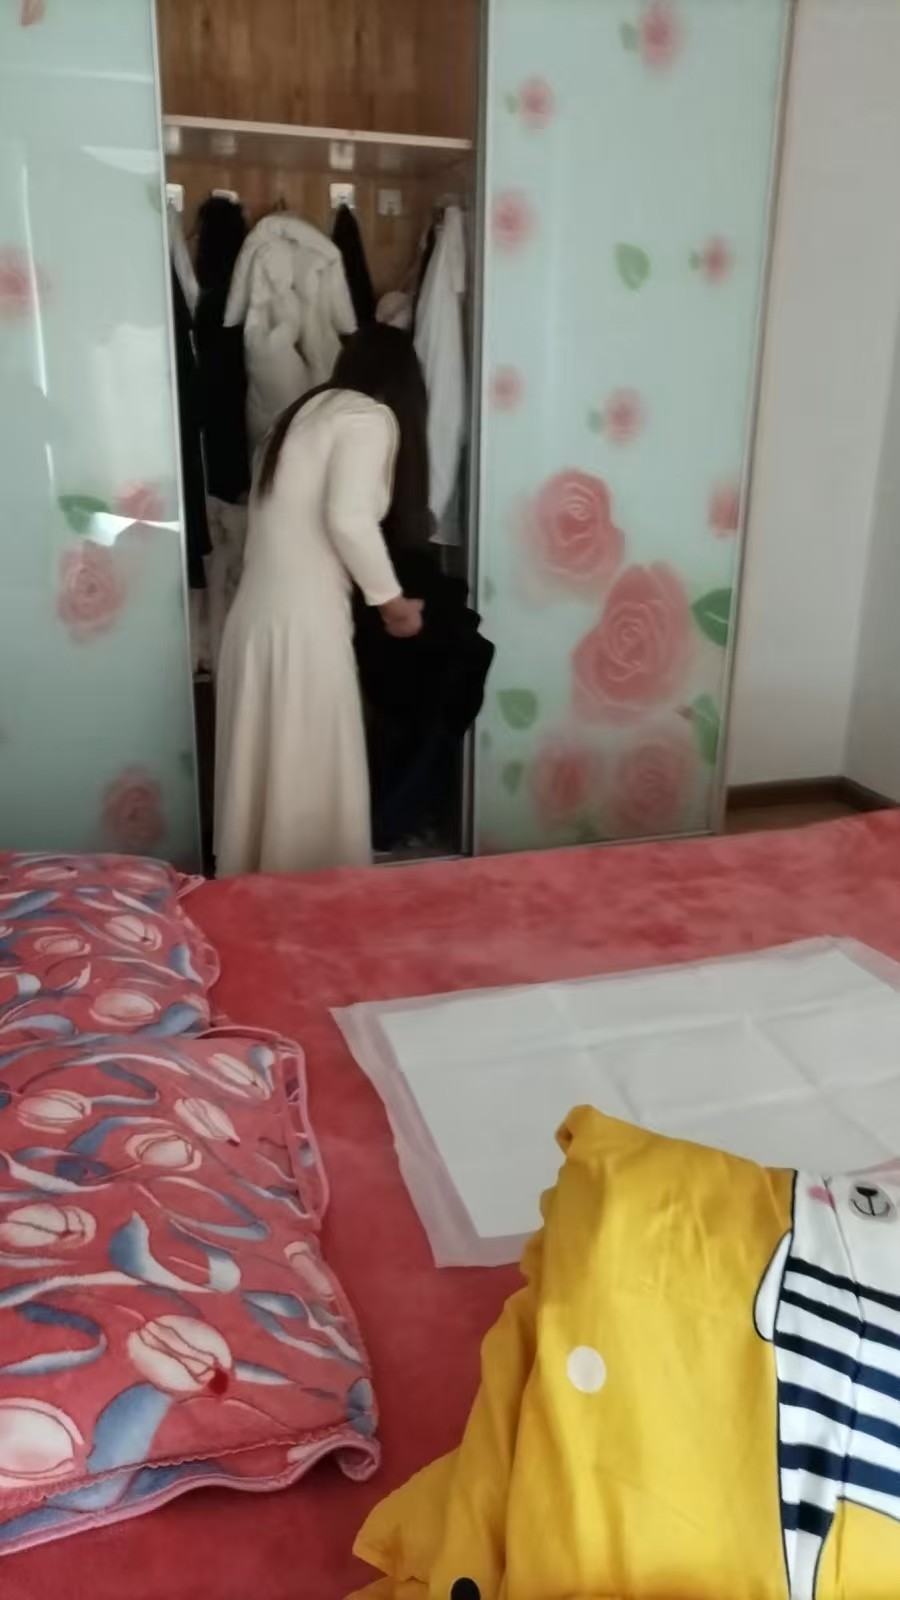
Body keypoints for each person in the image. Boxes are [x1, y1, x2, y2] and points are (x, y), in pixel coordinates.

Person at [214, 327, 424, 876]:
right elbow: (348, 519)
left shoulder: (295, 419)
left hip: (253, 621)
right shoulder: (366, 417)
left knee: (268, 776)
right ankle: (314, 908)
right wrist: (393, 603)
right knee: (310, 772)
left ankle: (259, 904)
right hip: (304, 625)